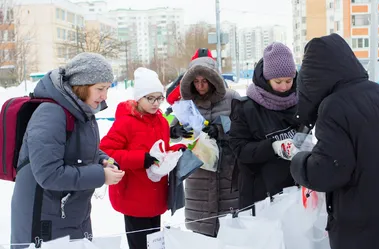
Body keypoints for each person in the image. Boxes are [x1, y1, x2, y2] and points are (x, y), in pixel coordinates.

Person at [289, 33, 379, 249]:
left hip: (361, 229)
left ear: (312, 78)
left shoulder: (334, 107)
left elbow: (327, 172)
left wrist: (298, 161)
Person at [10, 52, 125, 248]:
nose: (105, 96)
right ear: (81, 86)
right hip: (43, 221)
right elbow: (48, 174)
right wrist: (100, 175)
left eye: (107, 88)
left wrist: (103, 160)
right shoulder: (51, 114)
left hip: (69, 216)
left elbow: (80, 150)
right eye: (100, 89)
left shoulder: (81, 111)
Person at [100, 68, 185, 249]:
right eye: (150, 98)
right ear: (139, 98)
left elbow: (163, 148)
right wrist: (140, 159)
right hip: (134, 196)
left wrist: (177, 151)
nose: (156, 103)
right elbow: (106, 151)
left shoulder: (162, 121)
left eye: (159, 98)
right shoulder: (126, 122)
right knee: (140, 244)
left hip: (156, 193)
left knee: (155, 243)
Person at [170, 56, 240, 237]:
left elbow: (243, 128)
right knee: (201, 233)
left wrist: (220, 130)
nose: (200, 86)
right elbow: (169, 131)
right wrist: (176, 131)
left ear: (213, 79)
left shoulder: (231, 98)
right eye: (196, 81)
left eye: (205, 81)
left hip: (228, 171)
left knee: (231, 233)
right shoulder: (186, 105)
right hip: (199, 172)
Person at [229, 42, 299, 209]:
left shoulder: (299, 102)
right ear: (266, 80)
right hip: (260, 196)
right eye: (278, 81)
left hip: (294, 190)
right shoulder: (247, 108)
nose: (284, 87)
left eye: (289, 81)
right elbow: (239, 148)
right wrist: (272, 146)